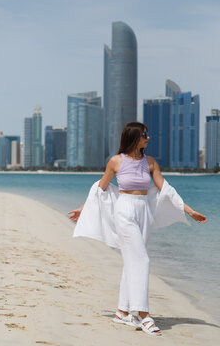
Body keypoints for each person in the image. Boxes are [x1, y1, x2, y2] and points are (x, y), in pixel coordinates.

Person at [68, 122, 207, 337]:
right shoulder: (116, 161)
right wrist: (82, 209)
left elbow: (166, 190)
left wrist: (189, 211)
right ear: (133, 137)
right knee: (142, 260)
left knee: (133, 261)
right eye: (144, 135)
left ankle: (122, 311)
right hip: (124, 211)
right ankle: (144, 315)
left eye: (147, 134)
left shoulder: (150, 163)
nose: (148, 138)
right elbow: (99, 190)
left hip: (144, 213)